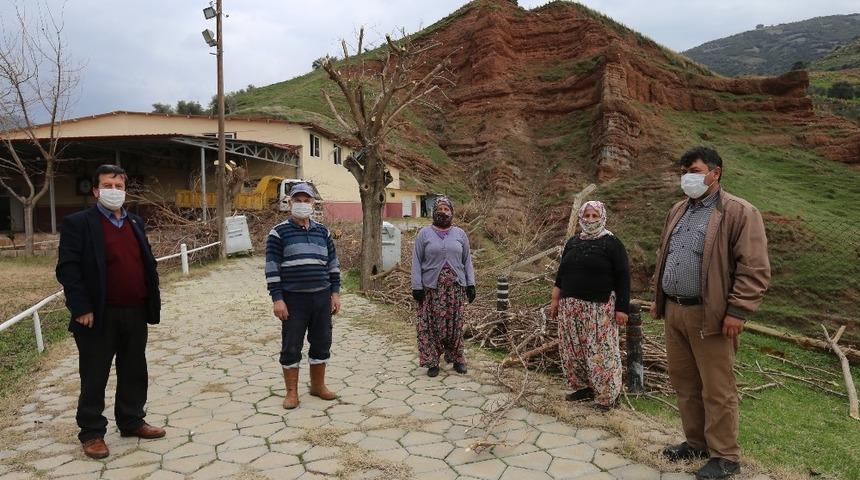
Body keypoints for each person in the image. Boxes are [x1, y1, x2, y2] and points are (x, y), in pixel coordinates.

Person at [651, 147, 770, 480]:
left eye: (694, 169)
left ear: (715, 173)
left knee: (717, 388)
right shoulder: (678, 209)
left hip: (712, 315)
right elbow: (667, 253)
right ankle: (696, 443)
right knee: (685, 383)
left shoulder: (738, 211)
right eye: (684, 170)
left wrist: (737, 311)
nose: (687, 176)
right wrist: (659, 297)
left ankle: (726, 456)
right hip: (675, 309)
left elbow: (754, 267)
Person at [56, 164, 164, 459]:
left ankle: (131, 421)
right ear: (95, 191)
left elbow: (146, 263)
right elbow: (69, 269)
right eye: (108, 186)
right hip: (97, 315)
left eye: (118, 186)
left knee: (134, 370)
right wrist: (80, 307)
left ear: (125, 190)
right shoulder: (79, 223)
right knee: (94, 374)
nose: (113, 191)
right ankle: (92, 432)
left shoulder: (135, 222)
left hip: (135, 310)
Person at [265, 183, 341, 409]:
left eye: (306, 200)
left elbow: (333, 265)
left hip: (321, 297)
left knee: (321, 342)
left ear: (313, 203)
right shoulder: (278, 232)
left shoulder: (323, 232)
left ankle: (318, 386)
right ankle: (291, 393)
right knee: (291, 345)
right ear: (289, 203)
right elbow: (272, 267)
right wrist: (277, 299)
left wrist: (335, 293)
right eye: (297, 200)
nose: (302, 204)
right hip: (293, 299)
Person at [550, 200, 630, 410]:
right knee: (573, 350)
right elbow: (561, 274)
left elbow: (623, 276)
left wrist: (622, 308)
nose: (591, 220)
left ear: (602, 217)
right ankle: (583, 388)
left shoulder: (612, 244)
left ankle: (607, 398)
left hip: (599, 308)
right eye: (587, 216)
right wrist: (555, 299)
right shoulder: (573, 242)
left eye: (595, 216)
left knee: (601, 352)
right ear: (581, 218)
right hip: (570, 307)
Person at [411, 196, 476, 377]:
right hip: (431, 289)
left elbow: (467, 261)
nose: (443, 212)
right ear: (434, 212)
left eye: (446, 209)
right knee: (430, 326)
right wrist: (417, 286)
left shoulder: (460, 234)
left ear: (452, 212)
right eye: (439, 208)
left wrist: (471, 284)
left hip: (455, 288)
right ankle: (432, 362)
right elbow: (416, 261)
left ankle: (457, 358)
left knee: (455, 325)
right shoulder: (424, 234)